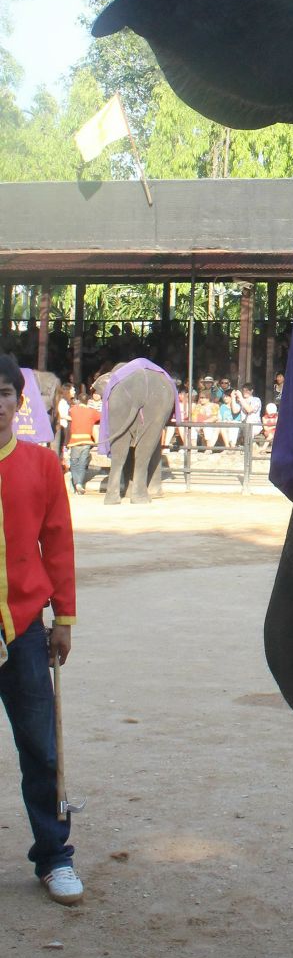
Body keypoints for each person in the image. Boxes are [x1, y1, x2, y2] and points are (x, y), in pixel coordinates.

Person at [0, 354, 84, 904]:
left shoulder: (42, 464)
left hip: (24, 628)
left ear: (18, 401)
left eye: (2, 392)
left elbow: (57, 543)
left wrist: (64, 617)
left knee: (41, 750)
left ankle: (54, 857)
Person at [67, 389, 101, 494]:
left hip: (74, 441)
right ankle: (79, 484)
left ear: (78, 400)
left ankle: (76, 483)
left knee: (74, 463)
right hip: (86, 441)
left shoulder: (73, 410)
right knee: (82, 464)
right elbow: (101, 417)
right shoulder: (93, 412)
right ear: (88, 401)